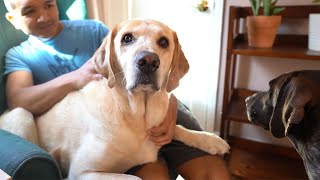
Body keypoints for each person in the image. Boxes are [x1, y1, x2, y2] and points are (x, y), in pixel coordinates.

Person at [3, 0, 231, 179]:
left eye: (49, 5)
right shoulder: (19, 55)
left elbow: (164, 78)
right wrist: (76, 78)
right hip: (101, 122)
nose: (43, 16)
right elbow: (18, 100)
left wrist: (171, 108)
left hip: (151, 105)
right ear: (13, 19)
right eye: (29, 11)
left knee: (216, 174)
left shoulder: (92, 29)